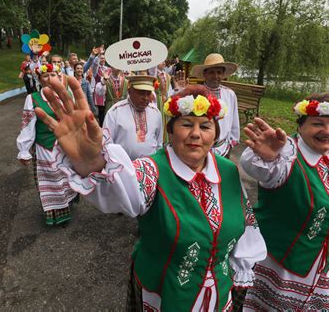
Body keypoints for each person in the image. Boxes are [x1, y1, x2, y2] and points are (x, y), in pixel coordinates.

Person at [33, 80, 267, 311]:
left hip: (218, 294)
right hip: (161, 293)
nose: (196, 134)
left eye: (205, 126)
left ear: (216, 134)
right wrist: (93, 162)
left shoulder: (227, 171)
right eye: (186, 124)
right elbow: (125, 191)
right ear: (170, 130)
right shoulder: (152, 170)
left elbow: (245, 225)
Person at [239, 93, 329, 311]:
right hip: (281, 264)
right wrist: (270, 156)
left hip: (322, 265)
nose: (327, 131)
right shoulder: (286, 155)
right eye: (317, 124)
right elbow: (253, 165)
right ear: (301, 125)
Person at [16, 63, 78, 226]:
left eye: (53, 75)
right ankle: (56, 214)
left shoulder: (66, 96)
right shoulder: (33, 98)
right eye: (45, 76)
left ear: (59, 77)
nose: (50, 79)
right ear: (39, 79)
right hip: (46, 147)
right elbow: (27, 125)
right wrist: (24, 150)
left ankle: (68, 204)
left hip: (66, 145)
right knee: (53, 180)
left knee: (67, 176)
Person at [191, 53, 240, 158]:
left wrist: (232, 142)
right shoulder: (196, 94)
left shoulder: (230, 94)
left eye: (219, 72)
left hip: (224, 148)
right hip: (201, 147)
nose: (216, 76)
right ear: (205, 74)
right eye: (211, 72)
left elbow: (234, 120)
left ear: (223, 74)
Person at [102, 75, 162, 160]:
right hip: (124, 167)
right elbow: (106, 145)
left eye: (148, 93)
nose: (145, 98)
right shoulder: (115, 112)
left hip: (150, 167)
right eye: (141, 93)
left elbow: (159, 143)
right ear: (130, 91)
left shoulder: (155, 112)